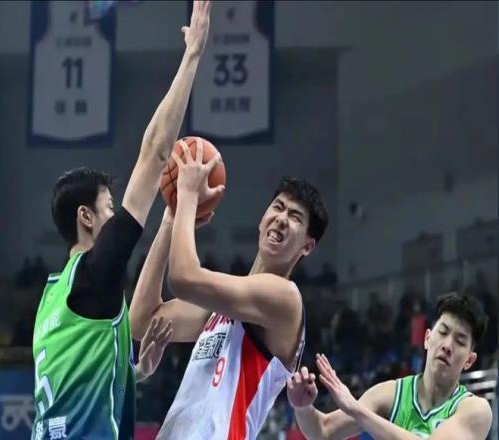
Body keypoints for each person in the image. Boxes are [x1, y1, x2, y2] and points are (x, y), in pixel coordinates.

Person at [31, 2, 212, 438]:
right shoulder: (96, 275)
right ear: (86, 217)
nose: (117, 217)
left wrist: (133, 371)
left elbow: (77, 382)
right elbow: (154, 153)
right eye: (109, 208)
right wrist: (193, 54)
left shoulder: (53, 298)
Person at [129, 140, 329, 440]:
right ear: (262, 218)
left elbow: (183, 277)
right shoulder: (222, 307)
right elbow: (142, 322)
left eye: (295, 217)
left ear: (307, 247)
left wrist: (187, 196)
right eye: (278, 207)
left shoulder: (285, 298)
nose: (281, 219)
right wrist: (170, 221)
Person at [287, 292, 492, 440]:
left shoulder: (475, 410)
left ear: (469, 360)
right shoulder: (392, 394)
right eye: (443, 332)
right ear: (427, 338)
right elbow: (323, 432)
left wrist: (357, 410)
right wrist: (302, 407)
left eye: (460, 341)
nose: (447, 345)